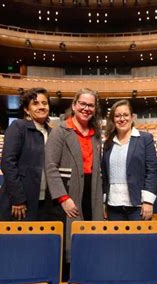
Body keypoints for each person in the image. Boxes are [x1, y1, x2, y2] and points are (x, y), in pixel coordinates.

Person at [45, 88, 104, 257]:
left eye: (91, 105)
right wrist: (63, 199)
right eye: (82, 104)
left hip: (91, 190)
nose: (86, 108)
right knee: (71, 243)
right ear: (74, 105)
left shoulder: (96, 134)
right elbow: (50, 167)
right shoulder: (60, 131)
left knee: (92, 241)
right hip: (69, 191)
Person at [0, 87, 53, 221]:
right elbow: (8, 163)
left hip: (43, 201)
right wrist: (18, 198)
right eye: (35, 103)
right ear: (26, 109)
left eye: (44, 103)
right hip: (20, 200)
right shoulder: (19, 127)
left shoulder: (52, 133)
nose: (41, 107)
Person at [101, 99, 157, 221]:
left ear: (132, 117)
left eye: (125, 115)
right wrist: (104, 202)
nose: (122, 119)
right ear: (113, 119)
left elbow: (152, 171)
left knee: (138, 240)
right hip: (113, 205)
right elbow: (105, 176)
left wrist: (148, 201)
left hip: (138, 205)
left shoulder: (145, 139)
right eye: (117, 116)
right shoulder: (108, 143)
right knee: (117, 240)